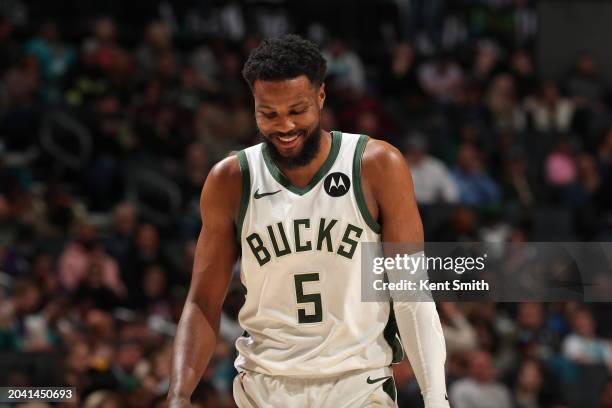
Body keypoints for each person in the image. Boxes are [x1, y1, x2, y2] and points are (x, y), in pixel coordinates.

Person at [168, 34, 450, 408]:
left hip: (357, 386)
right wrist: (178, 394)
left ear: (321, 97)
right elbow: (203, 302)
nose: (284, 126)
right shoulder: (230, 179)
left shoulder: (376, 165)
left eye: (297, 110)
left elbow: (411, 295)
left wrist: (436, 399)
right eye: (268, 113)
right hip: (264, 387)